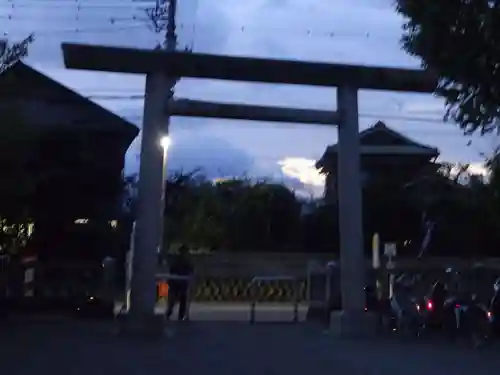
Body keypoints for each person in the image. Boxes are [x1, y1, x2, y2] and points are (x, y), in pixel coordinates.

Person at [165, 245, 193, 321]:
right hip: (176, 283)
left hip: (182, 283)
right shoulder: (178, 261)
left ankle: (180, 315)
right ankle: (169, 313)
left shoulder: (186, 262)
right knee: (173, 300)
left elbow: (191, 271)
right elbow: (172, 271)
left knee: (182, 300)